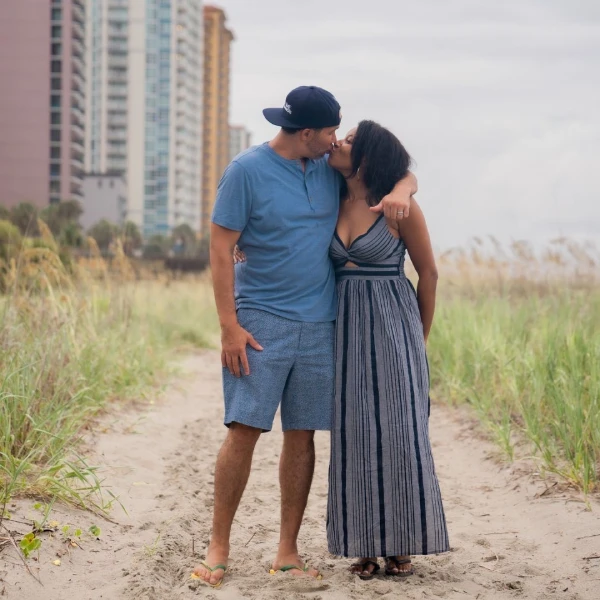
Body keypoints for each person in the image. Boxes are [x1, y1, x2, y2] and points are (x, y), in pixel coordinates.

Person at [192, 86, 417, 588]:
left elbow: (390, 166)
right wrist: (229, 326)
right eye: (332, 131)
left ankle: (287, 551)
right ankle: (218, 546)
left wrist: (405, 187)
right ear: (308, 133)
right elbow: (219, 248)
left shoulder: (326, 169)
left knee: (302, 435)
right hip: (260, 322)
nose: (338, 140)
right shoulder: (246, 171)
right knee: (244, 429)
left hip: (320, 322)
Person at [326, 121, 450, 580]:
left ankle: (400, 542)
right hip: (345, 329)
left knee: (401, 433)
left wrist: (420, 336)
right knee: (353, 434)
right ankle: (362, 544)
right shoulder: (328, 195)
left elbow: (429, 273)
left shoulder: (400, 208)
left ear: (368, 156)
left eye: (352, 141)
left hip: (394, 325)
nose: (339, 142)